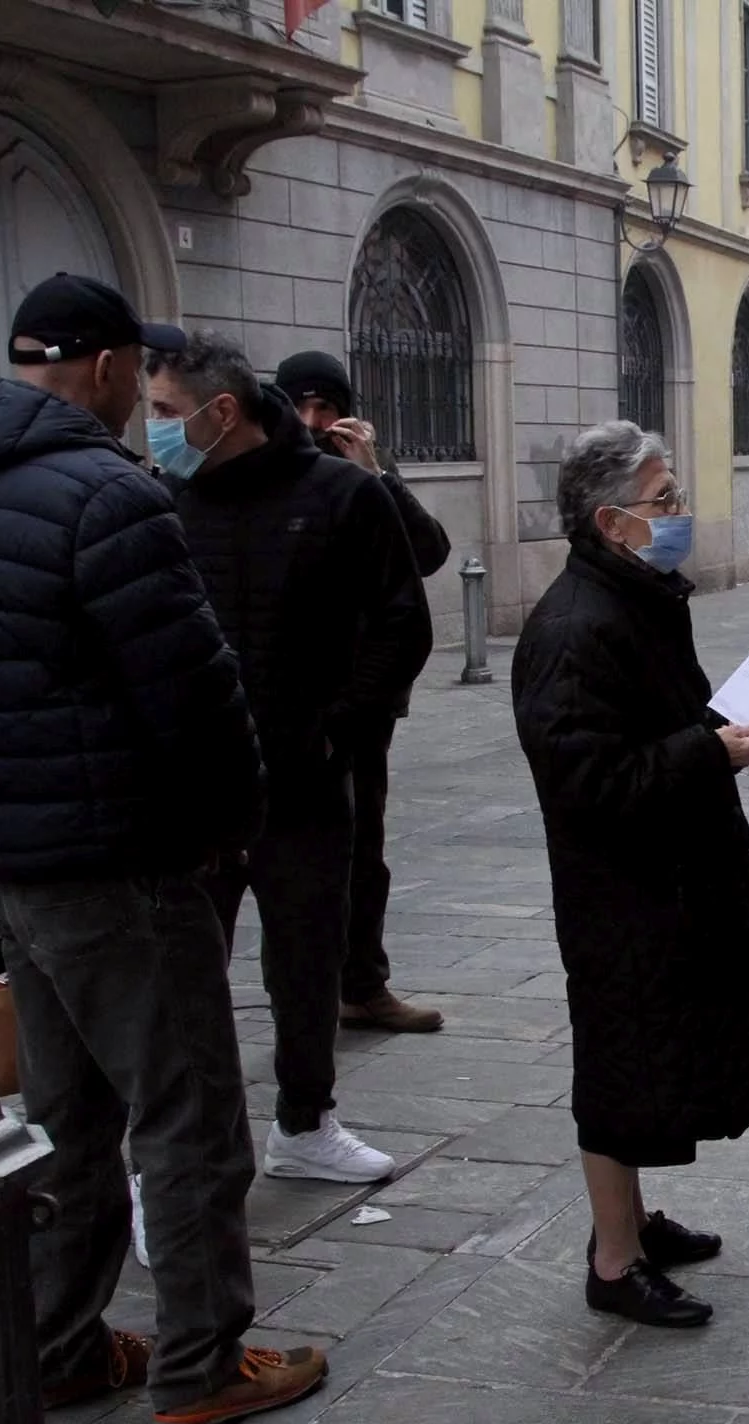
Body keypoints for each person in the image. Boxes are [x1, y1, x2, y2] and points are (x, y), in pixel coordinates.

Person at [0, 272, 326, 1424]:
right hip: (117, 861)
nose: (145, 399)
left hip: (11, 861)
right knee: (185, 1113)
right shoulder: (108, 493)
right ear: (103, 367)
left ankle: (60, 1342)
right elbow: (192, 693)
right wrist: (232, 821)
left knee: (68, 1113)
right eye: (137, 376)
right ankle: (199, 1360)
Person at [510, 420, 749, 1328]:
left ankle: (633, 1220)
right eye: (664, 501)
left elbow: (655, 725)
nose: (679, 514)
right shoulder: (574, 627)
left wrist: (727, 730)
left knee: (652, 1062)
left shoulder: (636, 596)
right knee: (619, 1067)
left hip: (669, 877)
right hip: (623, 888)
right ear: (613, 522)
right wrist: (704, 753)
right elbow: (586, 781)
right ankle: (613, 1261)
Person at [146, 333, 431, 1185]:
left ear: (219, 411)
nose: (153, 426)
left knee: (306, 959)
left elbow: (401, 622)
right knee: (181, 974)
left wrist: (337, 728)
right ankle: (184, 1151)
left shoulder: (339, 494)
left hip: (304, 783)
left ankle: (305, 1121)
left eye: (163, 411)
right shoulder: (160, 502)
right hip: (194, 790)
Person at [274, 349, 452, 1035]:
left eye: (327, 408)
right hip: (288, 701)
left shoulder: (364, 479)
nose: (314, 422)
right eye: (301, 407)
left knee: (364, 848)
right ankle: (305, 999)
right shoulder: (269, 475)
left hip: (363, 702)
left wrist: (378, 474)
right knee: (292, 862)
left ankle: (361, 983)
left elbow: (429, 553)